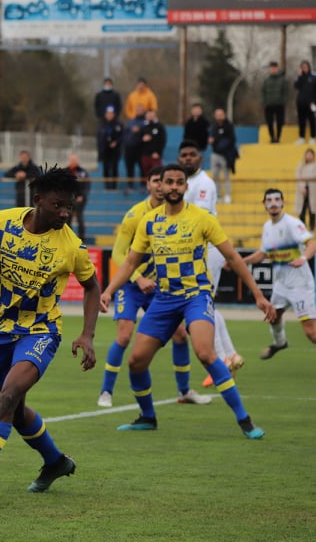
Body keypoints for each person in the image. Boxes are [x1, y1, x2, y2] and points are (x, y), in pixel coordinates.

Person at [0, 167, 100, 513]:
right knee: (12, 411)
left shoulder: (72, 246)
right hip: (1, 327)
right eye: (58, 205)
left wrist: (87, 334)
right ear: (38, 200)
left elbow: (92, 287)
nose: (65, 213)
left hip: (42, 331)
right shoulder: (2, 222)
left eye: (70, 207)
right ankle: (55, 462)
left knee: (7, 398)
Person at [99, 163, 275, 439]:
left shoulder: (202, 218)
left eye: (179, 182)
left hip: (196, 295)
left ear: (186, 186)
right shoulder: (149, 221)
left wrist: (259, 296)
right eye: (169, 181)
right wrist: (109, 290)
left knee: (205, 353)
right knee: (136, 361)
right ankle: (148, 417)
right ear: (161, 185)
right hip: (164, 298)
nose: (173, 187)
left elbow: (232, 257)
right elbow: (130, 262)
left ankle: (245, 421)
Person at [97, 166, 207, 408]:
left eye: (162, 181)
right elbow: (118, 254)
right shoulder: (135, 215)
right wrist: (138, 278)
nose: (159, 185)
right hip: (132, 286)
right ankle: (106, 392)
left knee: (180, 335)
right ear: (148, 185)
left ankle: (185, 391)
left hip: (159, 288)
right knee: (124, 336)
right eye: (155, 181)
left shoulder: (177, 214)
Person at [177, 141, 245, 387]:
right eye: (184, 155)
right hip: (198, 250)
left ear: (200, 158)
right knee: (207, 305)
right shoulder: (185, 183)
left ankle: (222, 359)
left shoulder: (204, 183)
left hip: (205, 248)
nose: (188, 158)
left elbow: (199, 219)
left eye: (192, 154)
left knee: (200, 304)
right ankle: (230, 355)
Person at [242, 188, 316, 357]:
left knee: (311, 333)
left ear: (283, 203)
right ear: (264, 204)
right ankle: (280, 343)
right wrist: (241, 262)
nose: (273, 203)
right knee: (273, 317)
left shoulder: (292, 223)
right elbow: (263, 254)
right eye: (269, 200)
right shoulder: (267, 227)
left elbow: (312, 244)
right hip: (281, 285)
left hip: (300, 285)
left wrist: (303, 258)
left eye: (277, 199)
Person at [208, 107, 238, 203]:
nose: (219, 117)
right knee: (215, 176)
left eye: (220, 115)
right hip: (215, 154)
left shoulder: (229, 126)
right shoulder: (213, 126)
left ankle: (227, 195)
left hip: (225, 155)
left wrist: (217, 141)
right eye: (217, 115)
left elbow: (231, 139)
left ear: (224, 115)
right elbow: (211, 137)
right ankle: (218, 195)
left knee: (226, 176)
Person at [97, 106, 123, 190]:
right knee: (106, 168)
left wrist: (116, 142)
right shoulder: (102, 124)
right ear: (105, 114)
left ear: (114, 114)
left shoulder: (118, 124)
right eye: (108, 113)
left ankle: (114, 186)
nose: (109, 115)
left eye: (111, 113)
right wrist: (100, 150)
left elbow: (122, 136)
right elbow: (99, 138)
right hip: (105, 150)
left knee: (114, 167)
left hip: (115, 150)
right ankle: (107, 185)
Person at [262, 61, 287, 144]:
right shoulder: (266, 80)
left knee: (280, 121)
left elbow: (286, 91)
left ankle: (278, 137)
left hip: (279, 104)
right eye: (272, 68)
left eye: (275, 68)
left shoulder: (282, 79)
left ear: (277, 68)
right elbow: (263, 91)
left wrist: (284, 101)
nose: (273, 70)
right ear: (270, 69)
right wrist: (264, 101)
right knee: (269, 121)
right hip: (269, 104)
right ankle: (272, 137)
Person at [123, 104, 147, 191]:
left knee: (142, 167)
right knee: (129, 167)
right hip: (129, 148)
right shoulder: (131, 121)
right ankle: (130, 184)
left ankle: (143, 184)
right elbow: (125, 133)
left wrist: (140, 130)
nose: (139, 112)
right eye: (138, 110)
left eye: (141, 110)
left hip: (140, 148)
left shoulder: (146, 122)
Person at [65, 153, 89, 240]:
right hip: (68, 200)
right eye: (72, 160)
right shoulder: (65, 172)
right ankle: (68, 238)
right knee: (67, 219)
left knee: (80, 218)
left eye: (74, 160)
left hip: (80, 200)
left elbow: (86, 186)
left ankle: (82, 238)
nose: (73, 162)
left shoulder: (83, 172)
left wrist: (82, 196)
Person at [293, 60, 316, 144]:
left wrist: (314, 101)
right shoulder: (299, 77)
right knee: (301, 120)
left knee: (312, 120)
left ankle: (312, 137)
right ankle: (301, 138)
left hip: (311, 103)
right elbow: (296, 86)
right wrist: (299, 76)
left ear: (309, 67)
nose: (304, 68)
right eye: (302, 67)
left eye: (305, 67)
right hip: (301, 102)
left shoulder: (314, 76)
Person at [140, 109, 166, 179]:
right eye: (148, 115)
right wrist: (142, 139)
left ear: (155, 116)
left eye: (152, 115)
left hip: (155, 155)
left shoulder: (159, 126)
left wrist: (158, 152)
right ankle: (145, 185)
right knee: (145, 173)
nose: (150, 116)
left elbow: (162, 141)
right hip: (145, 154)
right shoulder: (143, 127)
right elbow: (138, 140)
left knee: (156, 174)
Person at [296, 148, 316, 229]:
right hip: (302, 190)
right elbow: (298, 176)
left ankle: (311, 229)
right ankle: (302, 229)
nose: (309, 156)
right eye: (308, 154)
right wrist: (302, 187)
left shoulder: (315, 165)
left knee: (312, 210)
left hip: (313, 190)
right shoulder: (301, 165)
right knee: (302, 210)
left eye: (311, 155)